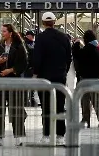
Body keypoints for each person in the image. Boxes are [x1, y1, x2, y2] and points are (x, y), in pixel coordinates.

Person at [29, 12, 72, 142]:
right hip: (60, 76)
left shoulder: (41, 38)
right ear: (54, 22)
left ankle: (46, 134)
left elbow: (37, 58)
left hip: (44, 77)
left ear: (43, 23)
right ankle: (60, 135)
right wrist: (64, 70)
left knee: (46, 106)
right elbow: (69, 57)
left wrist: (35, 73)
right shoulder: (64, 37)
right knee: (59, 106)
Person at [0, 24, 28, 147]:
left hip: (13, 82)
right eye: (2, 31)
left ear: (10, 33)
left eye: (4, 31)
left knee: (16, 109)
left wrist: (11, 70)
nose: (2, 33)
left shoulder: (19, 47)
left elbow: (23, 64)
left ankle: (19, 136)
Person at [75, 30, 99, 129]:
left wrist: (76, 44)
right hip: (93, 77)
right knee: (89, 99)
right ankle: (88, 120)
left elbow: (77, 54)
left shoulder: (88, 49)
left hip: (86, 78)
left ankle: (98, 120)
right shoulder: (96, 48)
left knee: (91, 100)